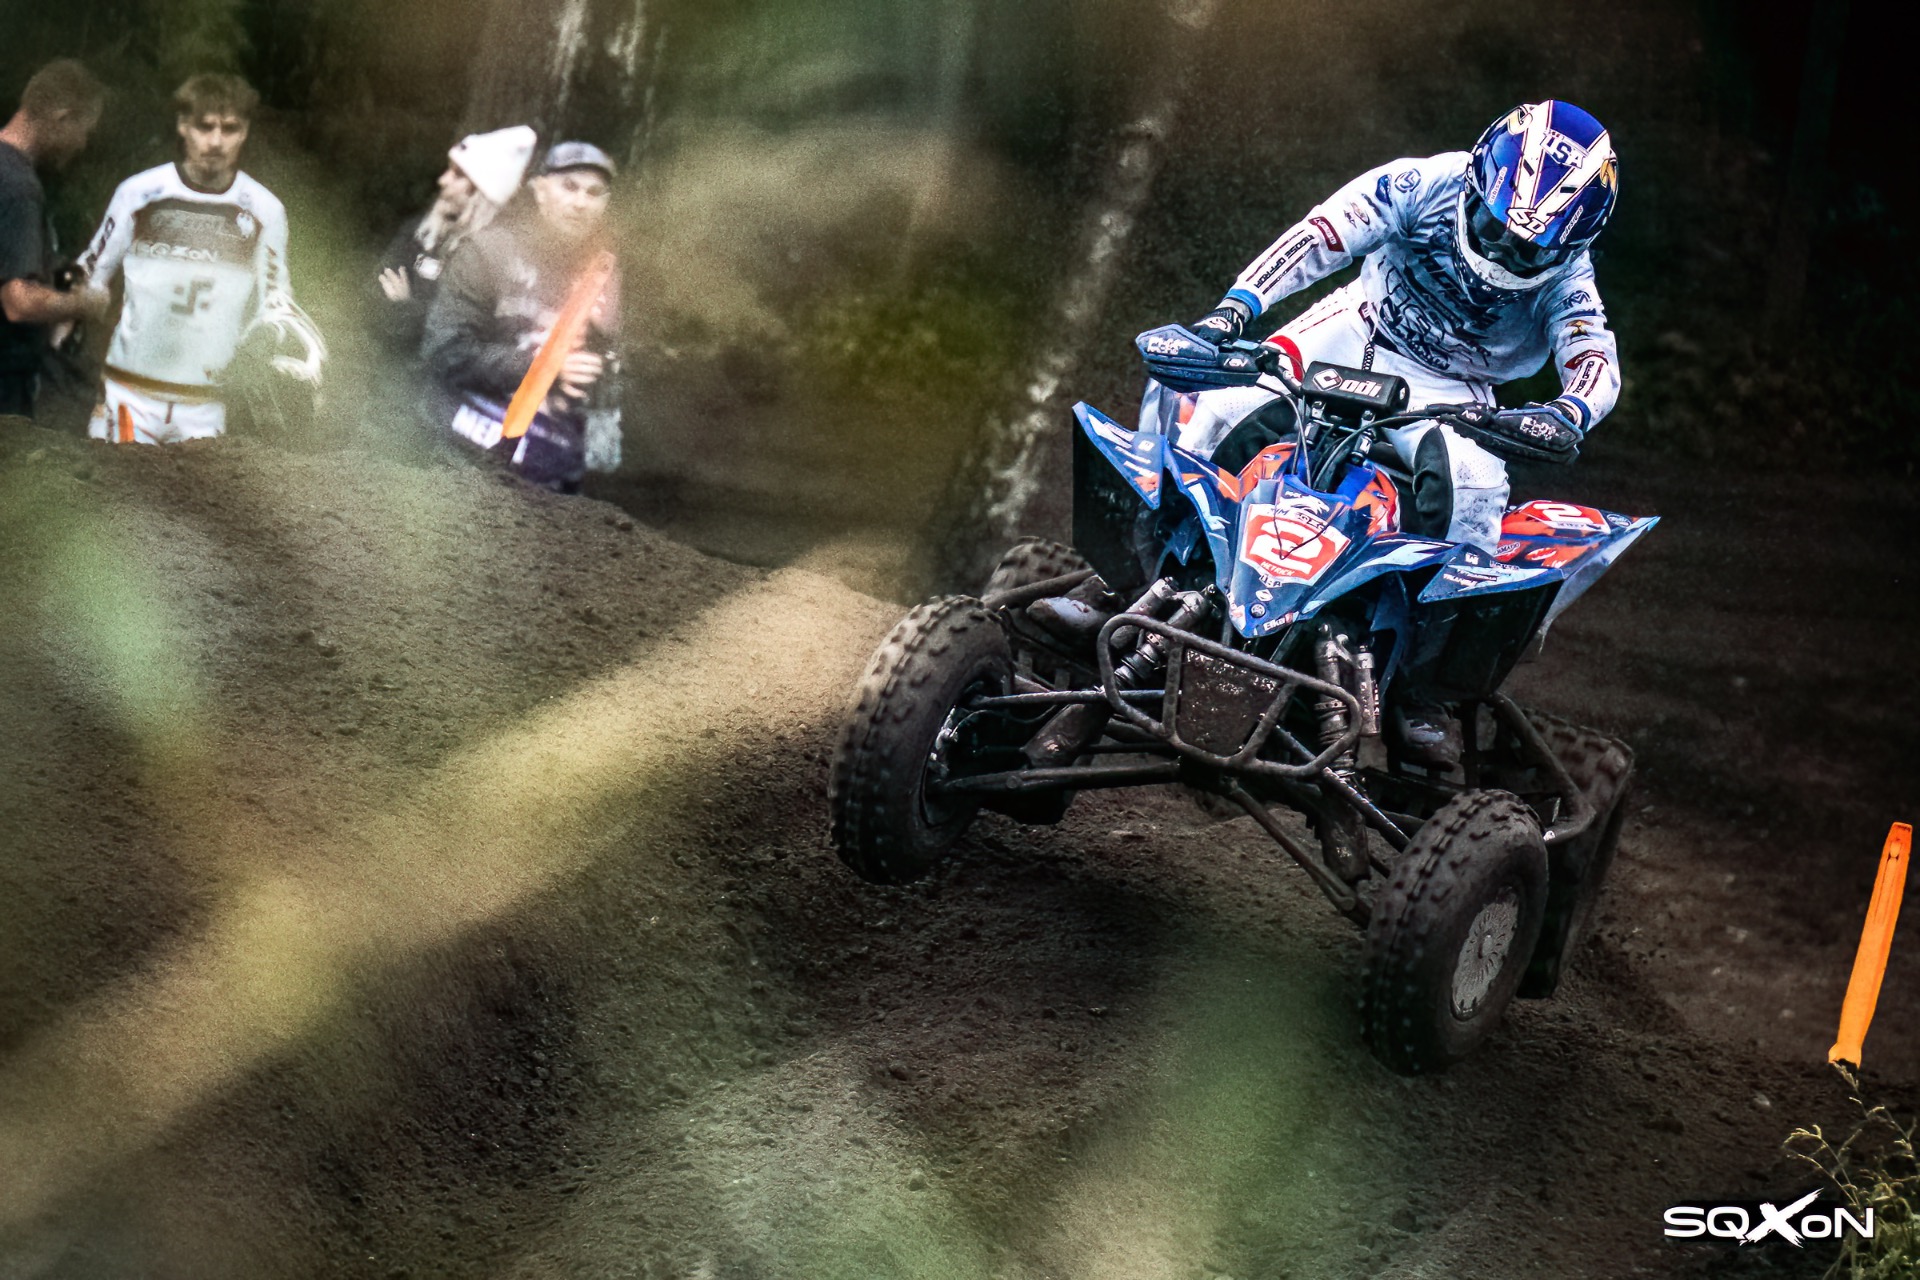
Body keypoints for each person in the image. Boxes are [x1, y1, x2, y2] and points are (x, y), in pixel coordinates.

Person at [1181, 99, 1621, 555]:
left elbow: (1593, 356)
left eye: (1528, 250)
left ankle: (1423, 598)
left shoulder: (1570, 279)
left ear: (1572, 250)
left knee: (1473, 491)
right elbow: (1320, 236)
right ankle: (1162, 562)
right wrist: (1233, 310)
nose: (1498, 252)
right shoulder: (1425, 183)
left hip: (1454, 384)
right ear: (1473, 184)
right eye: (1490, 226)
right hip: (1357, 326)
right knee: (1223, 411)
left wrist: (1567, 413)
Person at [76, 73, 324, 445]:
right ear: (183, 126)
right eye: (205, 126)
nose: (216, 141)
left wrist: (266, 342)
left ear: (245, 132)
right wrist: (50, 292)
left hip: (205, 404)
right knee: (112, 483)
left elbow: (276, 302)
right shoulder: (140, 192)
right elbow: (89, 269)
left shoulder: (265, 210)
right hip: (129, 393)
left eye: (230, 128)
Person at [421, 140, 623, 493]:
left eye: (594, 193)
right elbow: (444, 351)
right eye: (569, 186)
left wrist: (604, 356)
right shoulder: (488, 252)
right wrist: (545, 367)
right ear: (540, 189)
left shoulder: (605, 274)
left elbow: (610, 405)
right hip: (459, 458)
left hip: (550, 482)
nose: (580, 202)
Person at [0, 60, 109, 420]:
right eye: (85, 132)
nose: (83, 145)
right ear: (62, 118)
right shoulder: (19, 189)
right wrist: (84, 305)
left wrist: (65, 276)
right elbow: (18, 301)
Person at [375, 124, 536, 351]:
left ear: (481, 192)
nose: (443, 180)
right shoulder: (420, 230)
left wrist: (405, 307)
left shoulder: (498, 256)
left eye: (458, 175)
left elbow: (467, 336)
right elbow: (374, 293)